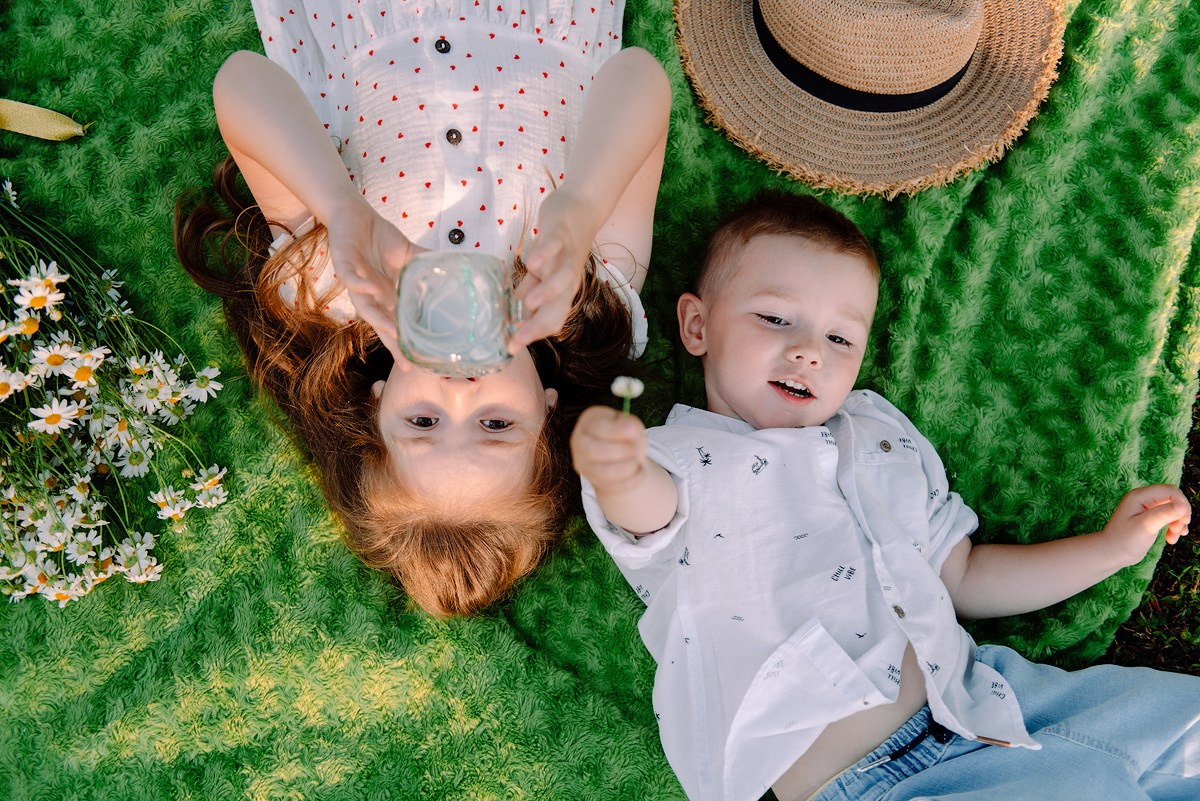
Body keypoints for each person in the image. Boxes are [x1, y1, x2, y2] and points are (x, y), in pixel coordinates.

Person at [571, 191, 1199, 801]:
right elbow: (649, 518)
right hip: (877, 780)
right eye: (775, 319)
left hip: (996, 699)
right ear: (698, 325)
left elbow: (964, 576)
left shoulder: (876, 433)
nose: (808, 352)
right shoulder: (680, 458)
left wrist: (1110, 549)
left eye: (840, 339)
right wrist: (620, 474)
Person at [175, 0, 670, 616]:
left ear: (377, 403)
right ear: (548, 413)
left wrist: (340, 208)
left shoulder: (332, 288)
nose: (459, 393)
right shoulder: (590, 295)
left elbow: (241, 81)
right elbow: (639, 75)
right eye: (495, 425)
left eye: (424, 422)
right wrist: (582, 209)